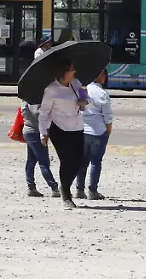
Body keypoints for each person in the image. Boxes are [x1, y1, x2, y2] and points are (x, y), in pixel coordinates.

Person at [38, 59, 85, 209]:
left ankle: (65, 186)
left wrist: (84, 101)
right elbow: (44, 112)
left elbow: (86, 97)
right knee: (67, 161)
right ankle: (66, 194)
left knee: (78, 162)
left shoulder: (76, 83)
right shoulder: (51, 90)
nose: (74, 72)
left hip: (77, 126)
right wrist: (43, 132)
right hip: (59, 129)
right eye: (72, 69)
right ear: (64, 72)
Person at [78, 69, 114, 200]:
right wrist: (108, 131)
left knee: (82, 162)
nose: (106, 77)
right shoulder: (103, 94)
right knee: (95, 162)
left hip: (83, 130)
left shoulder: (83, 90)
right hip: (98, 131)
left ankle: (79, 189)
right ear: (100, 76)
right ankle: (92, 191)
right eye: (104, 74)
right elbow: (108, 117)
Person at [21, 100, 60, 198]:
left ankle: (31, 187)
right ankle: (54, 188)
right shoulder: (34, 101)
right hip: (36, 132)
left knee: (31, 160)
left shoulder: (25, 100)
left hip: (28, 130)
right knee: (43, 162)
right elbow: (38, 114)